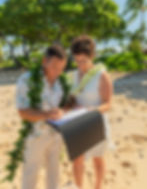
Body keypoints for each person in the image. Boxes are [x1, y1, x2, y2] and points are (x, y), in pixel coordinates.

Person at [16, 45, 67, 189]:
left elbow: (60, 106)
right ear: (44, 61)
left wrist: (61, 112)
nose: (58, 72)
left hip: (56, 136)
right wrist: (46, 115)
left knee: (54, 175)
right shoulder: (28, 80)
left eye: (61, 68)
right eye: (55, 67)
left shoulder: (59, 83)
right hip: (35, 137)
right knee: (30, 174)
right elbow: (22, 111)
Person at [69, 35, 113, 189]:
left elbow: (108, 104)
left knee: (97, 158)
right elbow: (73, 98)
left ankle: (98, 187)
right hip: (78, 122)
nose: (80, 65)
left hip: (95, 122)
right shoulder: (74, 75)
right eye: (76, 60)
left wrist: (92, 111)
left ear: (92, 56)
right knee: (77, 159)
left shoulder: (102, 76)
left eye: (83, 61)